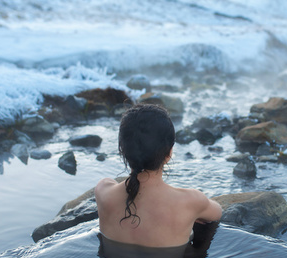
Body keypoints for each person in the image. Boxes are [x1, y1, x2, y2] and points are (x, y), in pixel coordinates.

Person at [94, 103, 222, 248]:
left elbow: (114, 185)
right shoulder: (191, 202)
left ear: (122, 150)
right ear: (169, 153)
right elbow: (217, 212)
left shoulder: (103, 191)